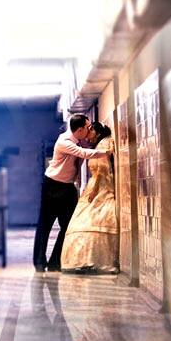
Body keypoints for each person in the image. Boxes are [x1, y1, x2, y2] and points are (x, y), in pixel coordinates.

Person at [33, 114, 113, 272]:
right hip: (53, 185)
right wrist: (107, 152)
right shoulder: (64, 142)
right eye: (88, 127)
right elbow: (84, 153)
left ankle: (55, 262)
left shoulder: (82, 139)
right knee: (45, 225)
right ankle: (39, 262)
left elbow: (93, 141)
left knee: (68, 226)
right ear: (80, 129)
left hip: (68, 187)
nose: (90, 129)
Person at [61, 121, 119, 274]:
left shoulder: (103, 144)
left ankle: (93, 260)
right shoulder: (97, 145)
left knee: (93, 218)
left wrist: (94, 190)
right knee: (82, 219)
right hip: (94, 185)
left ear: (97, 132)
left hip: (101, 187)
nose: (87, 135)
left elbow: (101, 171)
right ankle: (83, 260)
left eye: (90, 131)